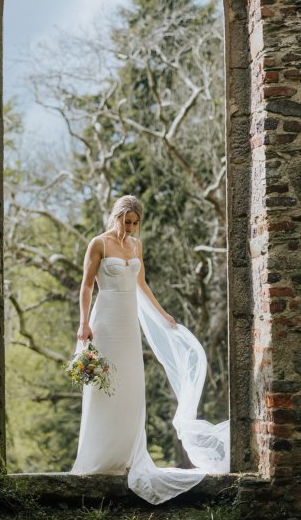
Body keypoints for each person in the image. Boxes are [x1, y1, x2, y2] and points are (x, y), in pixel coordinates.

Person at [71, 195, 229, 504]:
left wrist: (162, 314)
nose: (128, 228)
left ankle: (127, 456)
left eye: (134, 223)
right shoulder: (98, 244)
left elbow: (142, 284)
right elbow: (87, 285)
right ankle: (98, 458)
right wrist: (83, 323)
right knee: (104, 388)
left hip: (129, 325)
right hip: (104, 321)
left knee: (130, 388)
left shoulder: (136, 246)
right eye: (124, 221)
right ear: (115, 216)